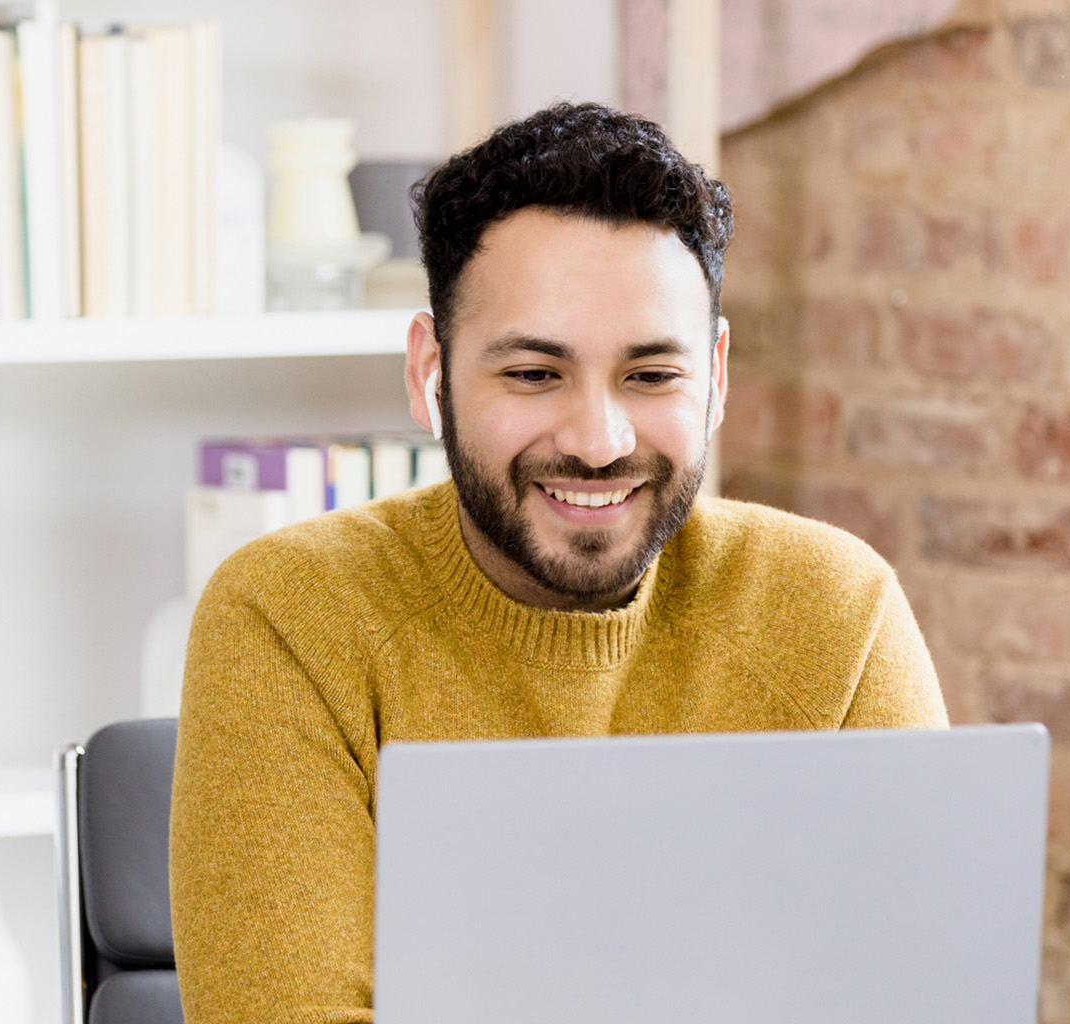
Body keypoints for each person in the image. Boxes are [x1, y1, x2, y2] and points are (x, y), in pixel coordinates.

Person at [169, 102, 947, 1024]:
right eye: (535, 374)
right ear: (432, 373)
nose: (597, 441)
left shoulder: (837, 612)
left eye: (651, 376)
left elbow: (925, 998)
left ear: (719, 377)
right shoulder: (289, 616)